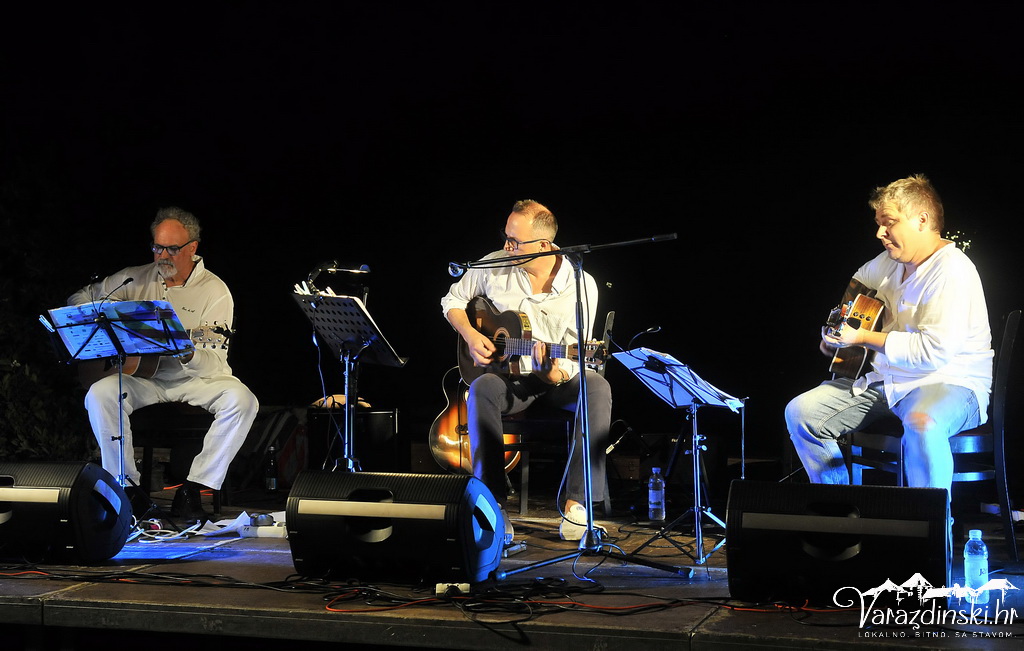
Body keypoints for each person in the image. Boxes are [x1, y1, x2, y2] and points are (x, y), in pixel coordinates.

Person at [787, 174, 992, 496]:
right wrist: (837, 338)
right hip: (888, 382)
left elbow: (932, 352)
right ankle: (837, 506)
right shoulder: (887, 264)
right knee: (802, 413)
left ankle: (932, 521)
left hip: (948, 381)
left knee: (923, 422)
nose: (880, 233)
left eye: (889, 223)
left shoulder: (953, 270)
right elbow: (854, 294)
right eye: (879, 223)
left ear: (922, 220)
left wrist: (861, 338)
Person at [68, 207, 259, 525]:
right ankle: (126, 489)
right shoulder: (133, 278)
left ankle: (194, 489)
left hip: (197, 378)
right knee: (99, 393)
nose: (163, 256)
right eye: (158, 248)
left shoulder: (215, 291)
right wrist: (106, 315)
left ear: (192, 248)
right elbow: (79, 298)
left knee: (243, 401)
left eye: (172, 249)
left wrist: (188, 353)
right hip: (144, 377)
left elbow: (214, 359)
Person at [441, 199, 612, 542]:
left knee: (596, 387)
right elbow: (452, 301)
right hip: (510, 381)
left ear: (544, 245)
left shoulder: (581, 285)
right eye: (506, 237)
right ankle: (493, 504)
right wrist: (471, 335)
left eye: (514, 241)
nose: (506, 247)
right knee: (481, 388)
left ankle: (577, 506)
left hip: (555, 378)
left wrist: (553, 373)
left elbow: (576, 355)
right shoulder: (494, 264)